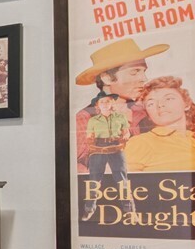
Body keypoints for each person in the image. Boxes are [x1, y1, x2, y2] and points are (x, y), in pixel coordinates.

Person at [72, 38, 168, 172]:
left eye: (143, 71)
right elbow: (70, 166)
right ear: (107, 78)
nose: (144, 79)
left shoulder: (147, 112)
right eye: (134, 72)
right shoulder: (85, 118)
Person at [123, 76, 195, 172]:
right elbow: (123, 186)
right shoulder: (140, 143)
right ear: (149, 115)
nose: (160, 105)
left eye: (168, 98)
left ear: (186, 104)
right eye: (151, 103)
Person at [81, 92, 132, 181]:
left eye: (107, 101)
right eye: (102, 102)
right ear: (97, 105)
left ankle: (124, 194)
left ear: (112, 103)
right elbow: (89, 135)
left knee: (120, 171)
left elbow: (126, 132)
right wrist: (90, 140)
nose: (105, 104)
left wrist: (125, 137)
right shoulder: (92, 120)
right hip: (98, 147)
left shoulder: (121, 117)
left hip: (116, 146)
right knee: (95, 173)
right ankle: (93, 194)